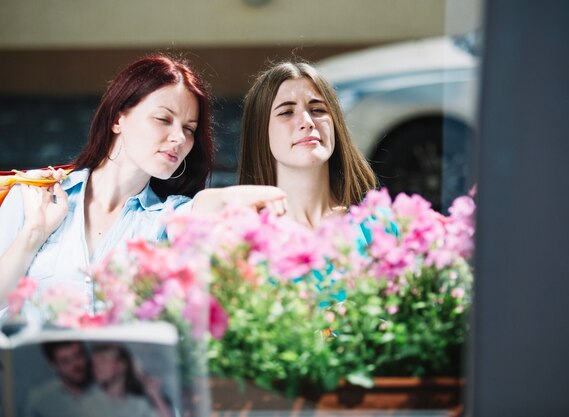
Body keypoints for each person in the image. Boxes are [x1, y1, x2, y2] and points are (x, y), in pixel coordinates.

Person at [0, 53, 286, 306]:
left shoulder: (166, 219)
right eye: (163, 119)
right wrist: (34, 234)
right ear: (117, 119)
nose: (178, 138)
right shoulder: (34, 196)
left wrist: (253, 198)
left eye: (189, 129)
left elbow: (206, 205)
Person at [237, 60, 377, 229]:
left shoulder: (377, 224)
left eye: (318, 110)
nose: (307, 122)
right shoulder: (243, 233)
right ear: (260, 131)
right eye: (287, 112)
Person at [85, 343, 171, 417]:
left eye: (103, 360)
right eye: (94, 362)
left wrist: (155, 394)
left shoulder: (138, 405)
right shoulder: (88, 402)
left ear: (121, 366)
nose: (97, 366)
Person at [24, 341, 93, 417]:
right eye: (66, 361)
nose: (75, 365)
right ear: (53, 365)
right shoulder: (39, 399)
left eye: (78, 356)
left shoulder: (102, 389)